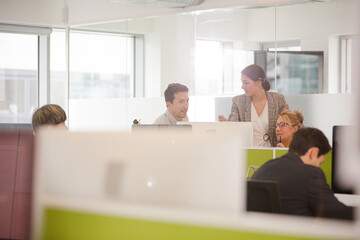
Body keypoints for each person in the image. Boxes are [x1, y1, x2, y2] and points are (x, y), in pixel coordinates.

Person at [252, 127, 353, 220]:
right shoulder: (310, 173)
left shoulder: (262, 169)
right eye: (319, 162)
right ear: (313, 153)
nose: (318, 167)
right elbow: (336, 211)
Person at [219, 64, 288, 147]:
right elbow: (234, 128)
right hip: (249, 153)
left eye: (246, 83)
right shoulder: (238, 102)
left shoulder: (278, 100)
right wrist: (227, 125)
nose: (242, 86)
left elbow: (290, 123)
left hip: (273, 153)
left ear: (259, 81)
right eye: (242, 83)